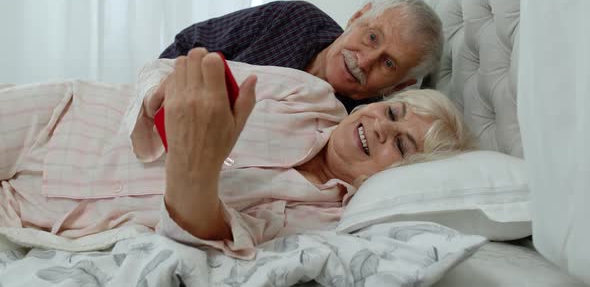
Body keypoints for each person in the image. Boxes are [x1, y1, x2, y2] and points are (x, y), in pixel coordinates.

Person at [0, 49, 472, 259]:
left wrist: (197, 166)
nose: (380, 127)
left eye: (402, 143)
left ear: (408, 174)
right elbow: (167, 67)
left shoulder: (328, 217)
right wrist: (167, 94)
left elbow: (208, 234)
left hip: (53, 213)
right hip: (66, 117)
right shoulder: (310, 95)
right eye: (392, 112)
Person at [159, 0, 444, 112]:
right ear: (357, 17)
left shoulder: (360, 124)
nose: (365, 61)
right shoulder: (295, 18)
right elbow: (189, 44)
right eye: (372, 37)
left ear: (399, 86)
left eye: (389, 63)